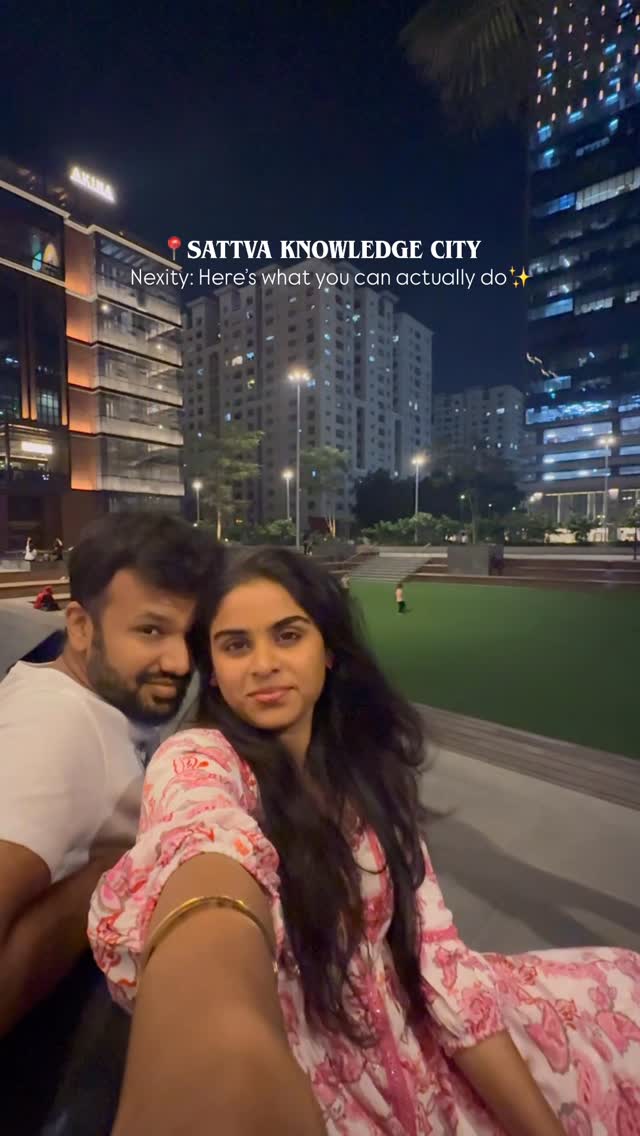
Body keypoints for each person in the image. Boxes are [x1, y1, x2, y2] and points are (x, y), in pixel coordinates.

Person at [89, 549, 640, 1136]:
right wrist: (211, 1022)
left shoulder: (360, 770)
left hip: (420, 1033)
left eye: (288, 635)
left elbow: (435, 959)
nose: (264, 664)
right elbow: (201, 845)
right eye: (236, 645)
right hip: (325, 1088)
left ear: (328, 650)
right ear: (214, 669)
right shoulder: (197, 760)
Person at [0, 511, 218, 1038]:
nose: (180, 662)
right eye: (150, 630)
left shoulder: (86, 702)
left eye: (192, 636)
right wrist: (112, 872)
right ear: (80, 627)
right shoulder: (56, 728)